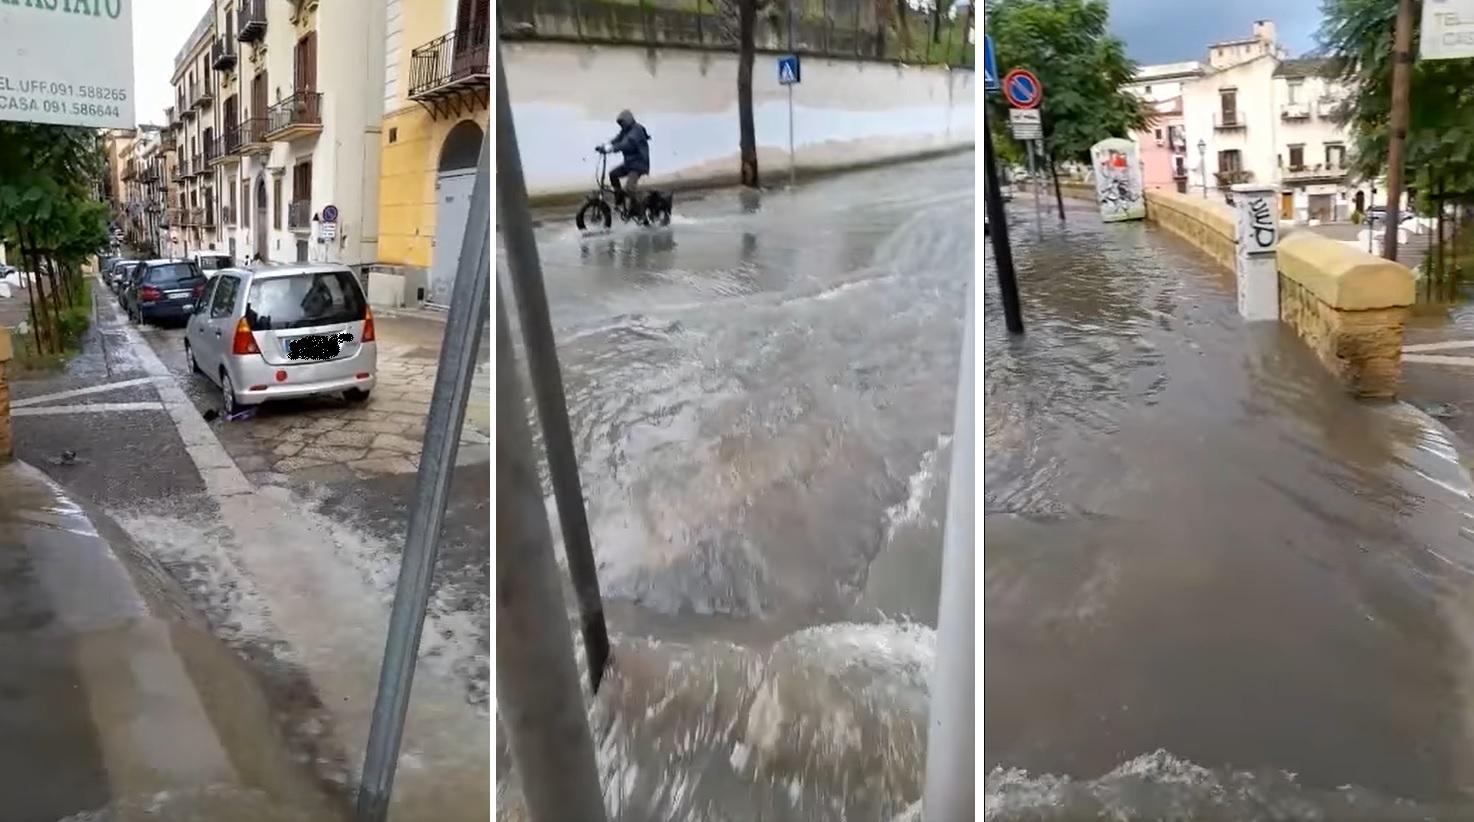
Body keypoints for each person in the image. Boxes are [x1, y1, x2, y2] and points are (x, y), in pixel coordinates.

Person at [596, 110, 651, 209]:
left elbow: (626, 143)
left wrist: (611, 148)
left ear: (627, 120)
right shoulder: (626, 130)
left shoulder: (637, 130)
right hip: (629, 163)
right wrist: (605, 145)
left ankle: (638, 208)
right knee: (613, 174)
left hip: (639, 165)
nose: (621, 126)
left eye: (622, 123)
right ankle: (619, 199)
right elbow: (618, 139)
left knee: (629, 188)